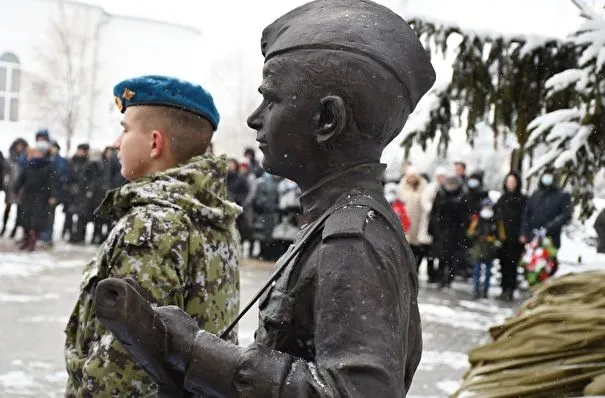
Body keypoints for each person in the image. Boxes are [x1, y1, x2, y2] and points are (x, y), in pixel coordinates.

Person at [94, 0, 435, 396]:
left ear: (327, 120)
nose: (255, 118)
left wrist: (193, 351)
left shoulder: (352, 238)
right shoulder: (332, 222)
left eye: (271, 100)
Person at [64, 75, 241, 397]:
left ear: (155, 142)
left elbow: (122, 371)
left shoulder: (154, 224)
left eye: (126, 129)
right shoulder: (211, 213)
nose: (118, 142)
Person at [13, 141, 58, 251]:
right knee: (25, 219)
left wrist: (52, 195)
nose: (36, 154)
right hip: (28, 195)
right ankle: (25, 240)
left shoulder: (49, 166)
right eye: (35, 152)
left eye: (38, 152)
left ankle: (32, 242)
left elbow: (52, 182)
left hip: (41, 196)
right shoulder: (29, 164)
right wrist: (16, 189)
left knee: (37, 221)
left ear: (43, 153)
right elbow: (21, 178)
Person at [520, 168, 572, 249]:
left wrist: (547, 229)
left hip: (551, 239)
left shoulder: (562, 195)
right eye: (545, 175)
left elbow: (566, 215)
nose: (547, 177)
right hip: (532, 238)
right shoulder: (536, 194)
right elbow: (527, 214)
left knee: (546, 261)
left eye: (550, 175)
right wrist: (524, 232)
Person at [494, 172, 527, 301]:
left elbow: (525, 217)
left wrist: (522, 233)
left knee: (512, 264)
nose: (510, 184)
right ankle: (503, 288)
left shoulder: (522, 199)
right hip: (503, 237)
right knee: (503, 263)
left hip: (516, 237)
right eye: (508, 182)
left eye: (513, 182)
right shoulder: (502, 199)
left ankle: (510, 289)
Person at [467, 198, 506, 299]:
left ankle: (485, 290)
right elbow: (470, 233)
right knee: (476, 270)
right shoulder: (477, 219)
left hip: (490, 249)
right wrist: (477, 235)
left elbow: (501, 236)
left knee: (488, 271)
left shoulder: (496, 221)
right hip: (478, 247)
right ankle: (476, 289)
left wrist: (495, 242)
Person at [417, 166, 447, 283]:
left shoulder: (444, 188)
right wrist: (434, 210)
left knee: (435, 252)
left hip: (439, 225)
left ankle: (433, 274)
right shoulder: (431, 188)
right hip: (429, 222)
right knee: (425, 250)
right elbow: (425, 202)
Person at [399, 166, 428, 270]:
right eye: (409, 176)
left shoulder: (423, 188)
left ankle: (414, 269)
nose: (411, 179)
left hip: (418, 221)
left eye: (413, 176)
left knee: (417, 248)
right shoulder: (402, 187)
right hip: (404, 222)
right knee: (405, 247)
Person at [2, 138, 28, 237]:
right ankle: (4, 227)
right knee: (7, 208)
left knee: (19, 210)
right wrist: (6, 184)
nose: (19, 148)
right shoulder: (9, 159)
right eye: (18, 145)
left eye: (22, 146)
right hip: (11, 187)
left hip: (21, 189)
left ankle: (15, 230)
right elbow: (5, 173)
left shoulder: (26, 160)